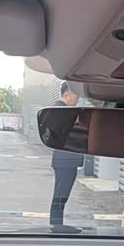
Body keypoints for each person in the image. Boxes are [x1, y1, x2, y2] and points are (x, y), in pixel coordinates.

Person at [49, 82, 82, 226]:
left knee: (61, 196)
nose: (77, 100)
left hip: (66, 160)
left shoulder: (61, 110)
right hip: (65, 159)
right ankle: (56, 226)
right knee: (60, 196)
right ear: (67, 94)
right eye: (76, 97)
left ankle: (56, 224)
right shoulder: (61, 111)